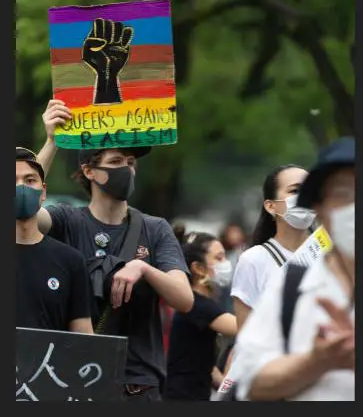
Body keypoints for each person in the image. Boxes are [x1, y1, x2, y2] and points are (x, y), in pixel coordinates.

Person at [33, 99, 194, 400]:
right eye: (117, 161)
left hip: (138, 386)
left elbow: (184, 300)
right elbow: (21, 207)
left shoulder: (155, 228)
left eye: (131, 162)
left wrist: (144, 268)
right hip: (73, 382)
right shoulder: (66, 220)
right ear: (89, 171)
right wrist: (52, 141)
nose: (128, 170)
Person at [229, 138, 356, 401]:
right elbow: (249, 355)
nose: (353, 206)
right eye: (342, 193)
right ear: (270, 205)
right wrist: (318, 361)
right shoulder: (258, 262)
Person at [16, 147, 93, 334]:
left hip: (49, 363)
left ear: (43, 192)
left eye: (30, 180)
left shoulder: (71, 261)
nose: (21, 187)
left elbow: (84, 340)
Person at [230, 165, 315, 332]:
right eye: (295, 191)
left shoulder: (334, 254)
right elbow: (246, 336)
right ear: (270, 206)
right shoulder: (253, 260)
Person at [165, 233, 238, 401]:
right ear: (198, 268)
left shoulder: (197, 302)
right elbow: (242, 326)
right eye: (219, 258)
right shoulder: (199, 305)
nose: (225, 264)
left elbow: (204, 363)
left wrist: (224, 385)